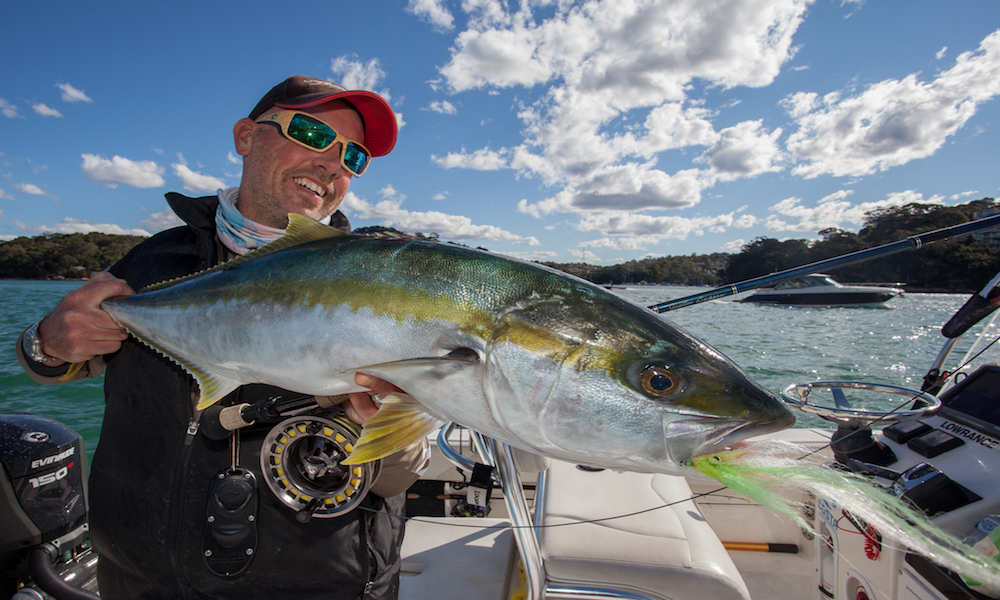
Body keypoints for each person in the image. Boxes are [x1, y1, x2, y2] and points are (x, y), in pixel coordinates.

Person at [16, 76, 428, 600]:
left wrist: (396, 424)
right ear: (246, 136)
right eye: (311, 132)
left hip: (319, 585)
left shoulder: (387, 283)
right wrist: (48, 340)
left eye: (354, 156)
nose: (333, 163)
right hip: (136, 578)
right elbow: (52, 363)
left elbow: (398, 478)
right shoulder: (153, 264)